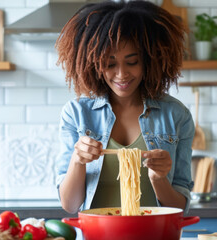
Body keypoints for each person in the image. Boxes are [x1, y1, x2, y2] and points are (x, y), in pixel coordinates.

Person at [55, 0, 194, 215]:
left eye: (132, 62)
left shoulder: (176, 115)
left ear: (149, 61)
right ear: (94, 64)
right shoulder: (76, 114)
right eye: (110, 64)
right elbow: (69, 204)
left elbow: (179, 209)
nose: (122, 74)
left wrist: (159, 179)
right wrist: (77, 160)